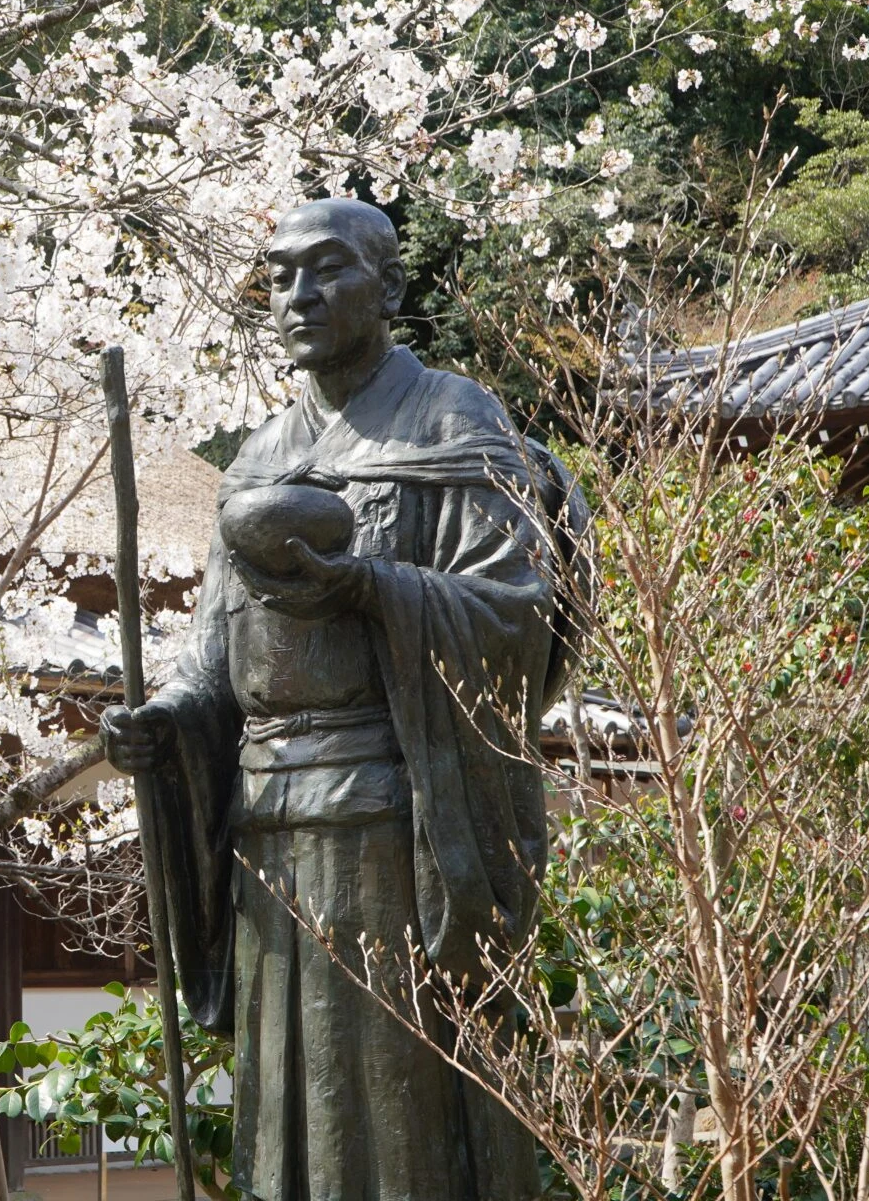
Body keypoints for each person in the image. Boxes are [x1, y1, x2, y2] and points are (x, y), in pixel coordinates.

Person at [102, 198, 585, 1201]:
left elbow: (517, 612)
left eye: (325, 270)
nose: (297, 296)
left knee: (404, 1104)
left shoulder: (455, 421)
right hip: (270, 830)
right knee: (290, 1104)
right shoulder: (261, 456)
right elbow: (214, 663)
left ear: (390, 290)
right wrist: (169, 723)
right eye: (278, 276)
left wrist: (370, 585)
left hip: (404, 824)